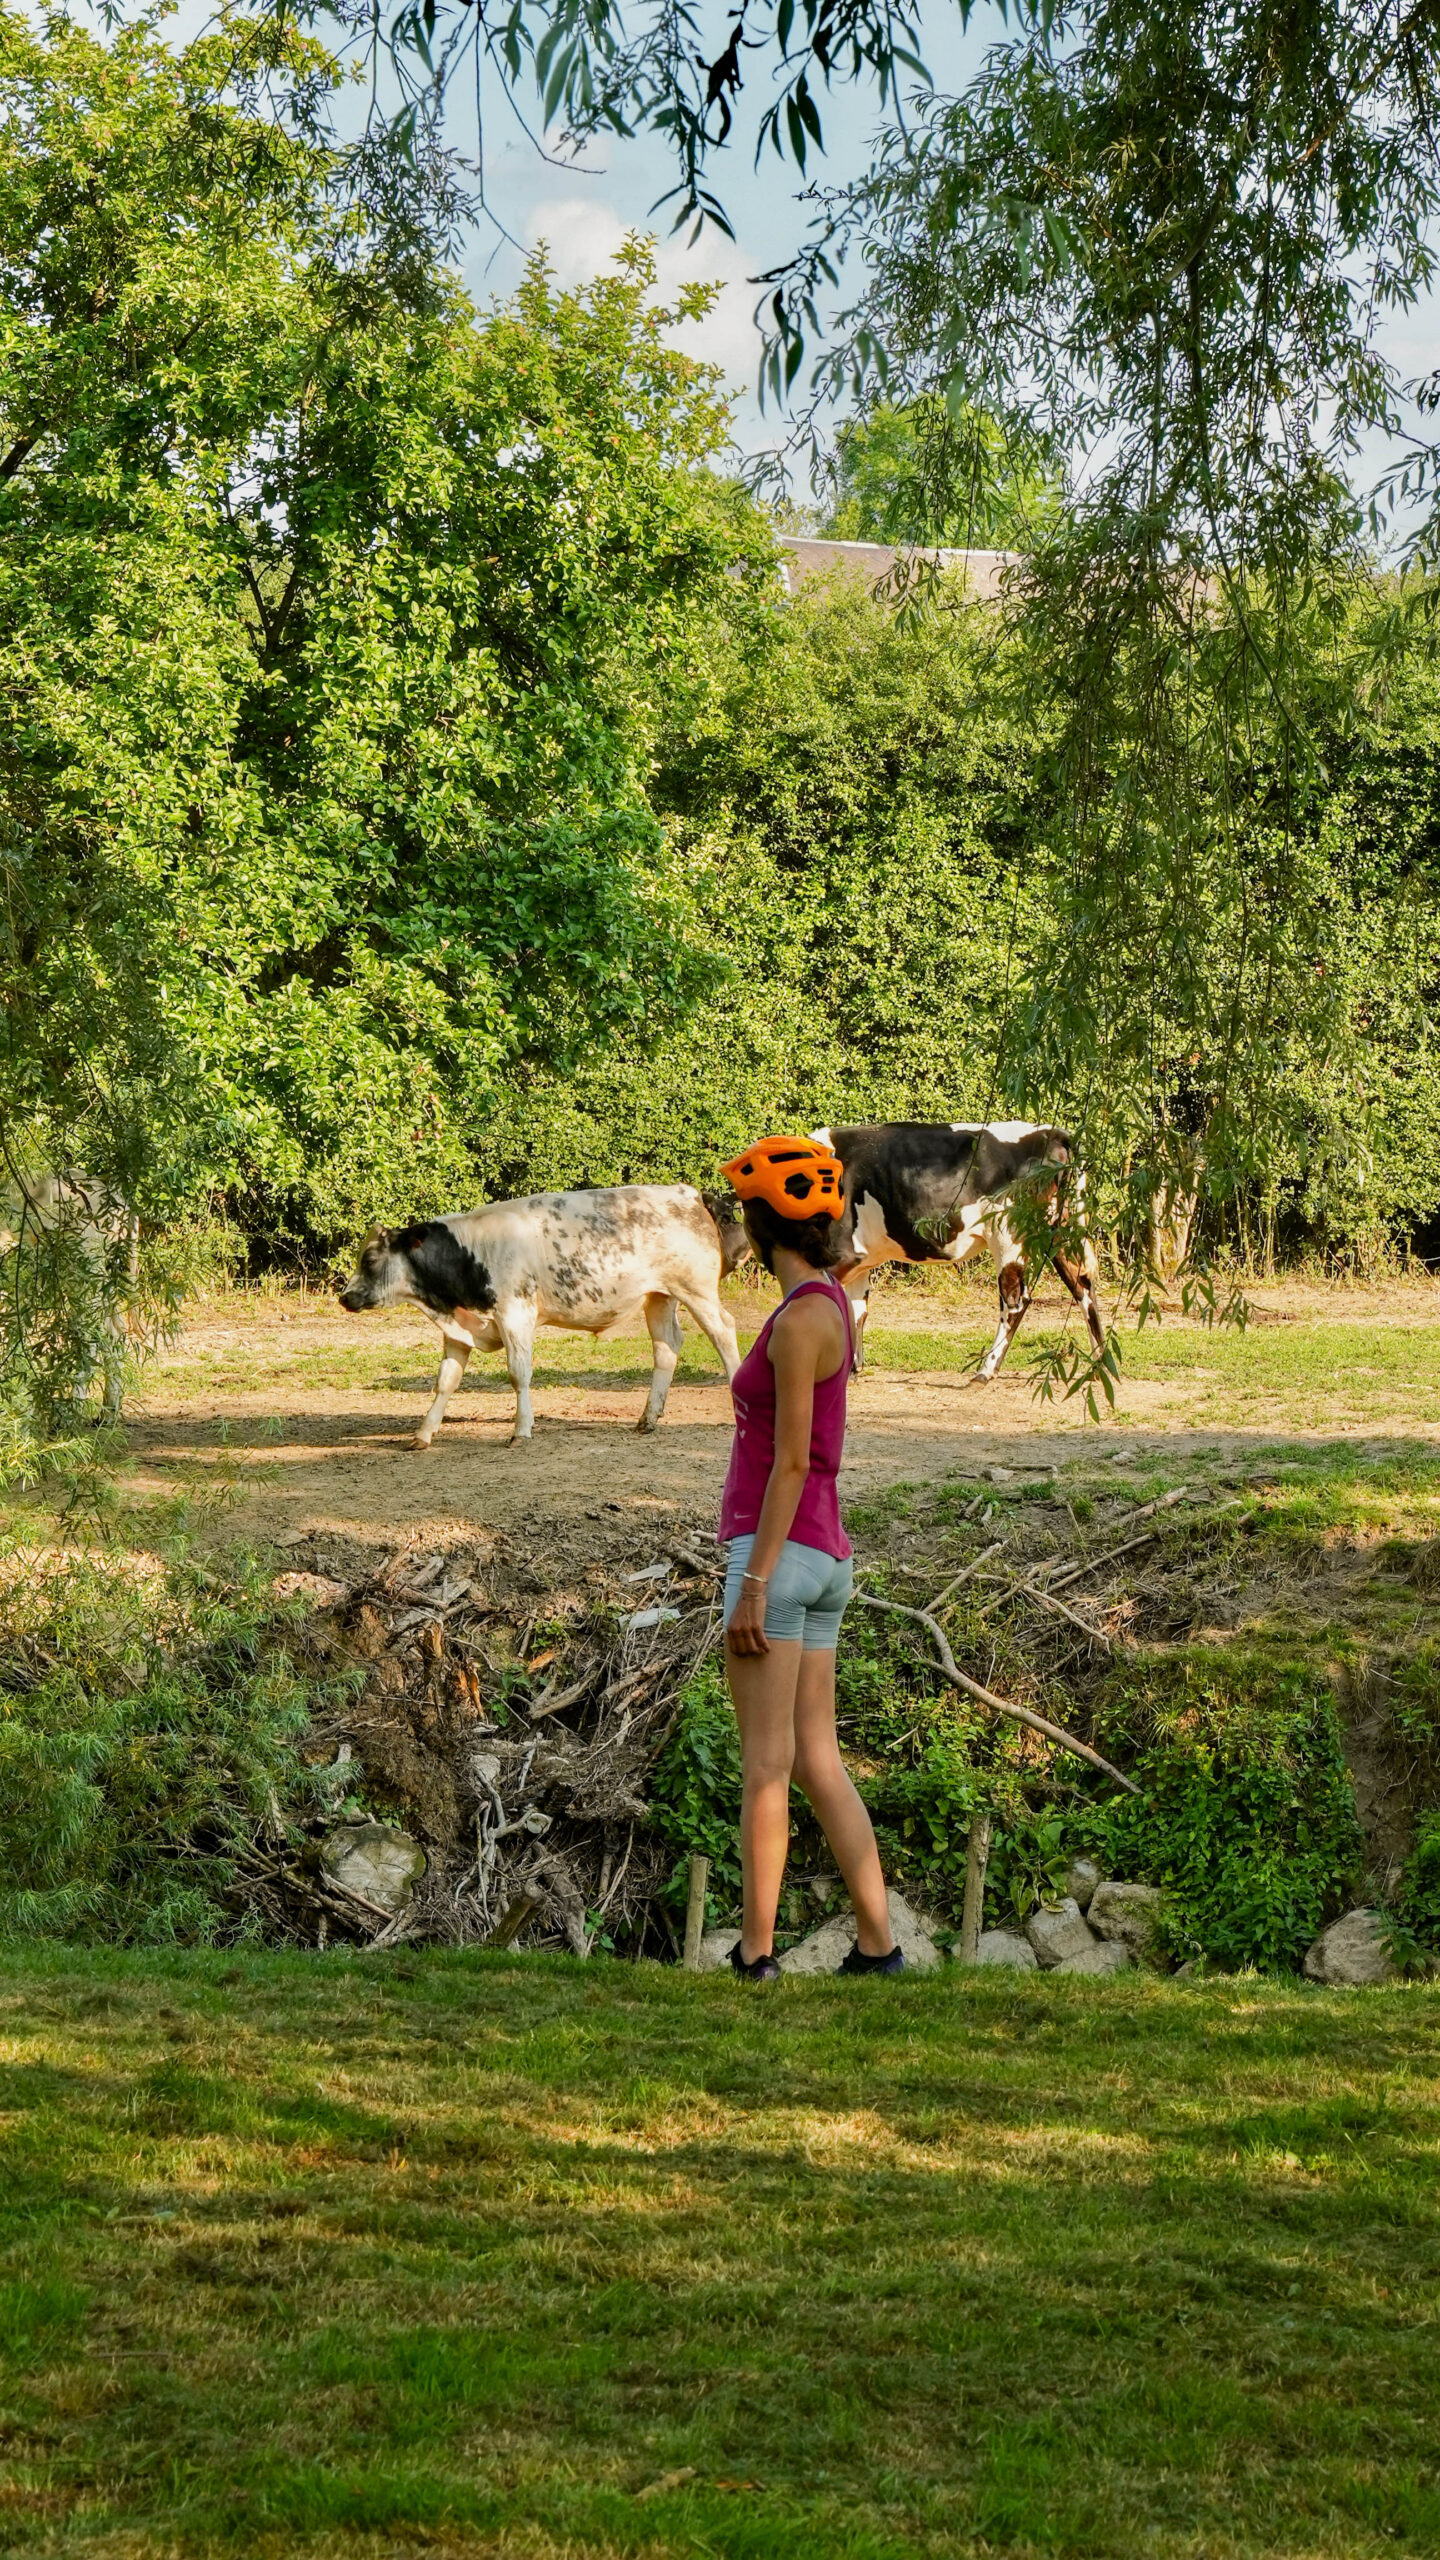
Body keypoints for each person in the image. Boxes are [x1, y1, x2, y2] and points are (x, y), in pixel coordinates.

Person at [716, 1136, 902, 1983]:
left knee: (767, 1766)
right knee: (819, 1760)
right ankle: (879, 1947)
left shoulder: (797, 1322)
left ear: (762, 1231)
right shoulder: (831, 1302)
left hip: (779, 1556)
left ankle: (755, 1956)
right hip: (826, 1556)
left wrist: (754, 1582)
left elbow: (791, 1461)